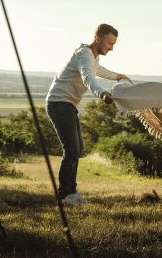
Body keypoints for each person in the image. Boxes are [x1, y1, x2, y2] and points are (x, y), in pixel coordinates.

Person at [45, 23, 130, 206]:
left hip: (66, 105)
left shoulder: (92, 57)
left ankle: (71, 192)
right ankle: (64, 195)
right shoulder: (84, 55)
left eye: (113, 44)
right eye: (109, 44)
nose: (111, 48)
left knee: (77, 148)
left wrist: (117, 76)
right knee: (72, 149)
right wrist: (102, 93)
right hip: (59, 104)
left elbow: (98, 71)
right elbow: (88, 77)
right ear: (98, 39)